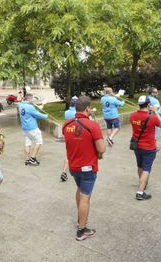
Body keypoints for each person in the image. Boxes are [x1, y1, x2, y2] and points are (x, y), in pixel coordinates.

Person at [63, 96, 106, 241]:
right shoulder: (92, 125)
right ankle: (82, 230)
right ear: (88, 108)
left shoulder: (66, 124)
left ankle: (80, 218)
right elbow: (101, 148)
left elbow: (75, 141)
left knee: (80, 190)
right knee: (85, 196)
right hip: (87, 168)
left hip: (73, 167)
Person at [129, 96, 161, 201]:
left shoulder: (132, 115)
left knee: (140, 166)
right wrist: (155, 112)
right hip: (149, 147)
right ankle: (140, 191)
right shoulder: (152, 117)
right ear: (148, 105)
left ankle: (142, 183)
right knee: (146, 169)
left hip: (137, 146)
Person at [19, 93, 48, 166]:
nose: (32, 100)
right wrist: (45, 116)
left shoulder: (20, 105)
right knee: (39, 141)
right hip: (32, 128)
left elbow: (31, 113)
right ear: (29, 99)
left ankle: (27, 159)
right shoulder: (29, 107)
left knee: (27, 143)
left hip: (24, 128)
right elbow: (37, 114)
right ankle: (33, 158)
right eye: (32, 99)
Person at [61, 96, 78, 182]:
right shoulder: (78, 112)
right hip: (78, 134)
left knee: (69, 153)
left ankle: (64, 171)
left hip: (69, 134)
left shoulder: (66, 112)